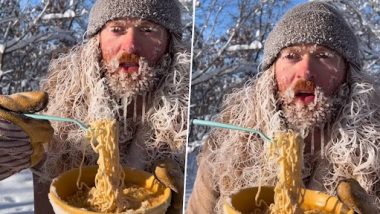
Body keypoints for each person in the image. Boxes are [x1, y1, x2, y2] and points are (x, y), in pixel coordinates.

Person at [188, 1, 380, 213]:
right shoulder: (225, 143)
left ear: (348, 75)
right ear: (271, 72)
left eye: (323, 56)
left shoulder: (376, 148)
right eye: (292, 56)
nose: (306, 71)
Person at [0, 0, 190, 213]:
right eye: (117, 29)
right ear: (96, 40)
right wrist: (5, 139)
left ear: (169, 45)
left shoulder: (187, 124)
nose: (130, 46)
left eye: (147, 30)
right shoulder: (57, 107)